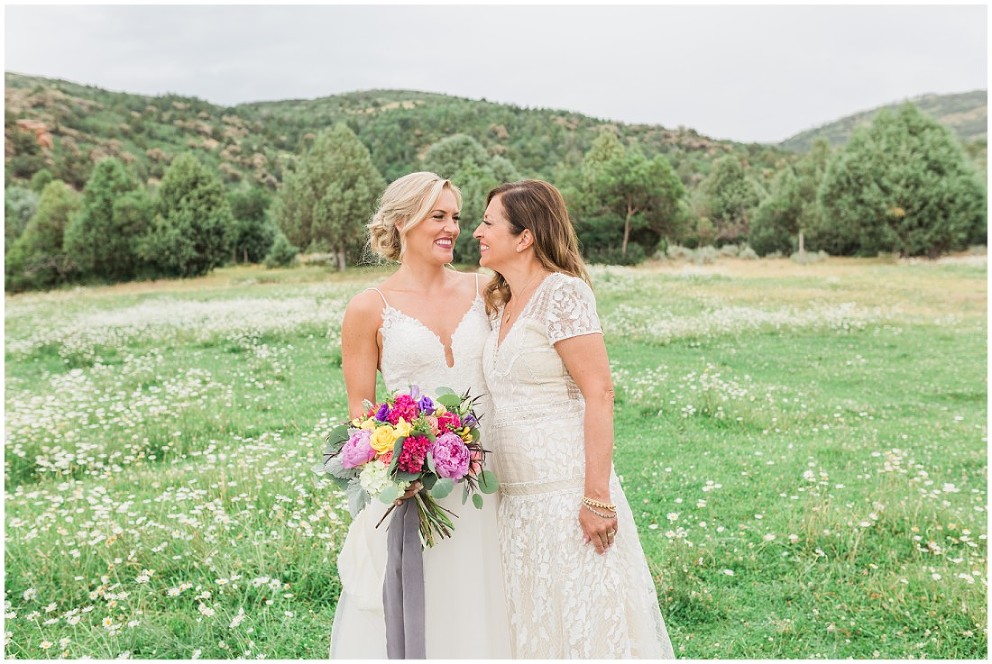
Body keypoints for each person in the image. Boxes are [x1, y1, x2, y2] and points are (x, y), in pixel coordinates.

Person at [472, 179, 675, 658]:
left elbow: (599, 393)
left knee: (585, 624)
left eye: (487, 222)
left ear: (524, 237)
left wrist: (597, 498)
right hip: (515, 498)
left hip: (564, 492)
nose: (477, 232)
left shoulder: (563, 294)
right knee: (535, 624)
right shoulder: (501, 301)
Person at [329, 172, 511, 658]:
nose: (453, 227)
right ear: (404, 222)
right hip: (416, 488)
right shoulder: (369, 308)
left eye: (456, 216)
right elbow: (360, 415)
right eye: (438, 216)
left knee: (489, 600)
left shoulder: (487, 288)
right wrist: (392, 469)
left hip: (492, 479)